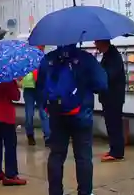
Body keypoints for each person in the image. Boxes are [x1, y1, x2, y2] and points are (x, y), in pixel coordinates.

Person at [37, 45, 107, 195]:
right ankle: (85, 191)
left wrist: (48, 107)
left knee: (56, 155)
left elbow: (40, 88)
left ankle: (55, 192)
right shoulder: (86, 59)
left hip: (57, 116)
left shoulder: (48, 59)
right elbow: (102, 84)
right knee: (83, 157)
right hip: (81, 115)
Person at [0, 80, 26, 186]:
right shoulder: (7, 78)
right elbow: (15, 96)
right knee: (10, 144)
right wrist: (16, 84)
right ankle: (10, 174)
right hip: (5, 114)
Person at [94, 40, 126, 162]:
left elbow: (109, 75)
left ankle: (117, 152)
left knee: (114, 124)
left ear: (103, 43)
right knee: (111, 124)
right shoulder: (107, 56)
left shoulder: (114, 56)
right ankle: (114, 149)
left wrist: (99, 75)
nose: (95, 44)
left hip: (114, 97)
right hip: (108, 97)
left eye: (96, 42)